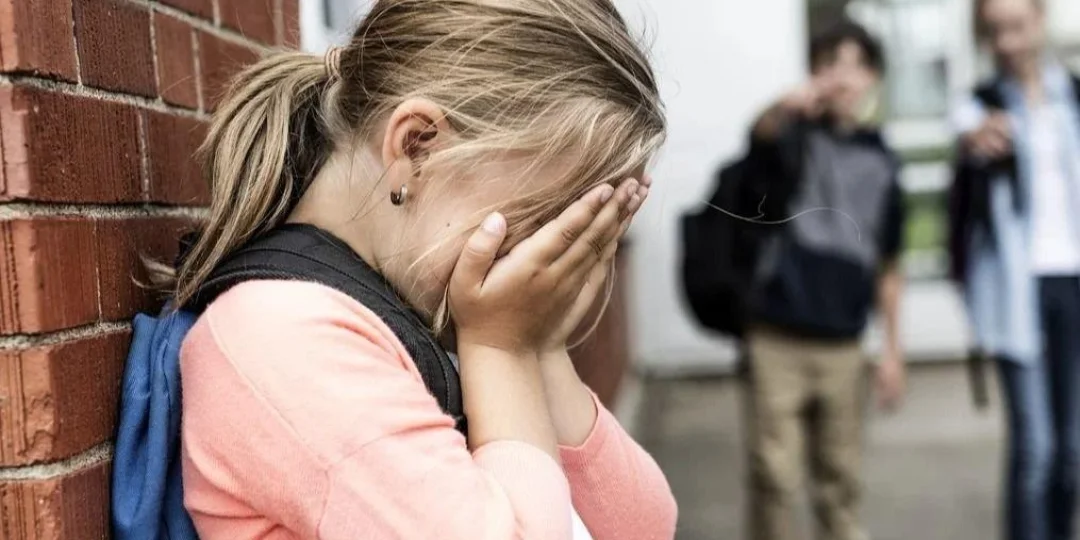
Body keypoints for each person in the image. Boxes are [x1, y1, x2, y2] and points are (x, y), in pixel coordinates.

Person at [171, 1, 676, 538]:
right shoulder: (284, 338)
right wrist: (502, 349)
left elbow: (642, 529)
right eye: (540, 222)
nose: (542, 265)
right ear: (417, 147)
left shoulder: (406, 303)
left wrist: (540, 345)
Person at [739, 21, 907, 540]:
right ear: (814, 73)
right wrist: (787, 105)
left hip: (845, 346)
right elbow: (758, 136)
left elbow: (889, 264)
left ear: (873, 77)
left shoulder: (883, 161)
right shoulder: (790, 138)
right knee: (773, 479)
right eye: (831, 64)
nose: (844, 77)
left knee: (840, 484)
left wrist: (892, 351)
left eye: (856, 65)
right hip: (777, 337)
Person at [951, 1, 1080, 539]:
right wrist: (975, 142)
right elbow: (966, 136)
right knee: (1036, 448)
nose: (1006, 43)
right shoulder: (978, 106)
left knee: (1073, 451)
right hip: (1016, 291)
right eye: (995, 31)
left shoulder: (1072, 95)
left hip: (1073, 282)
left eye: (1016, 27)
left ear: (1040, 20)